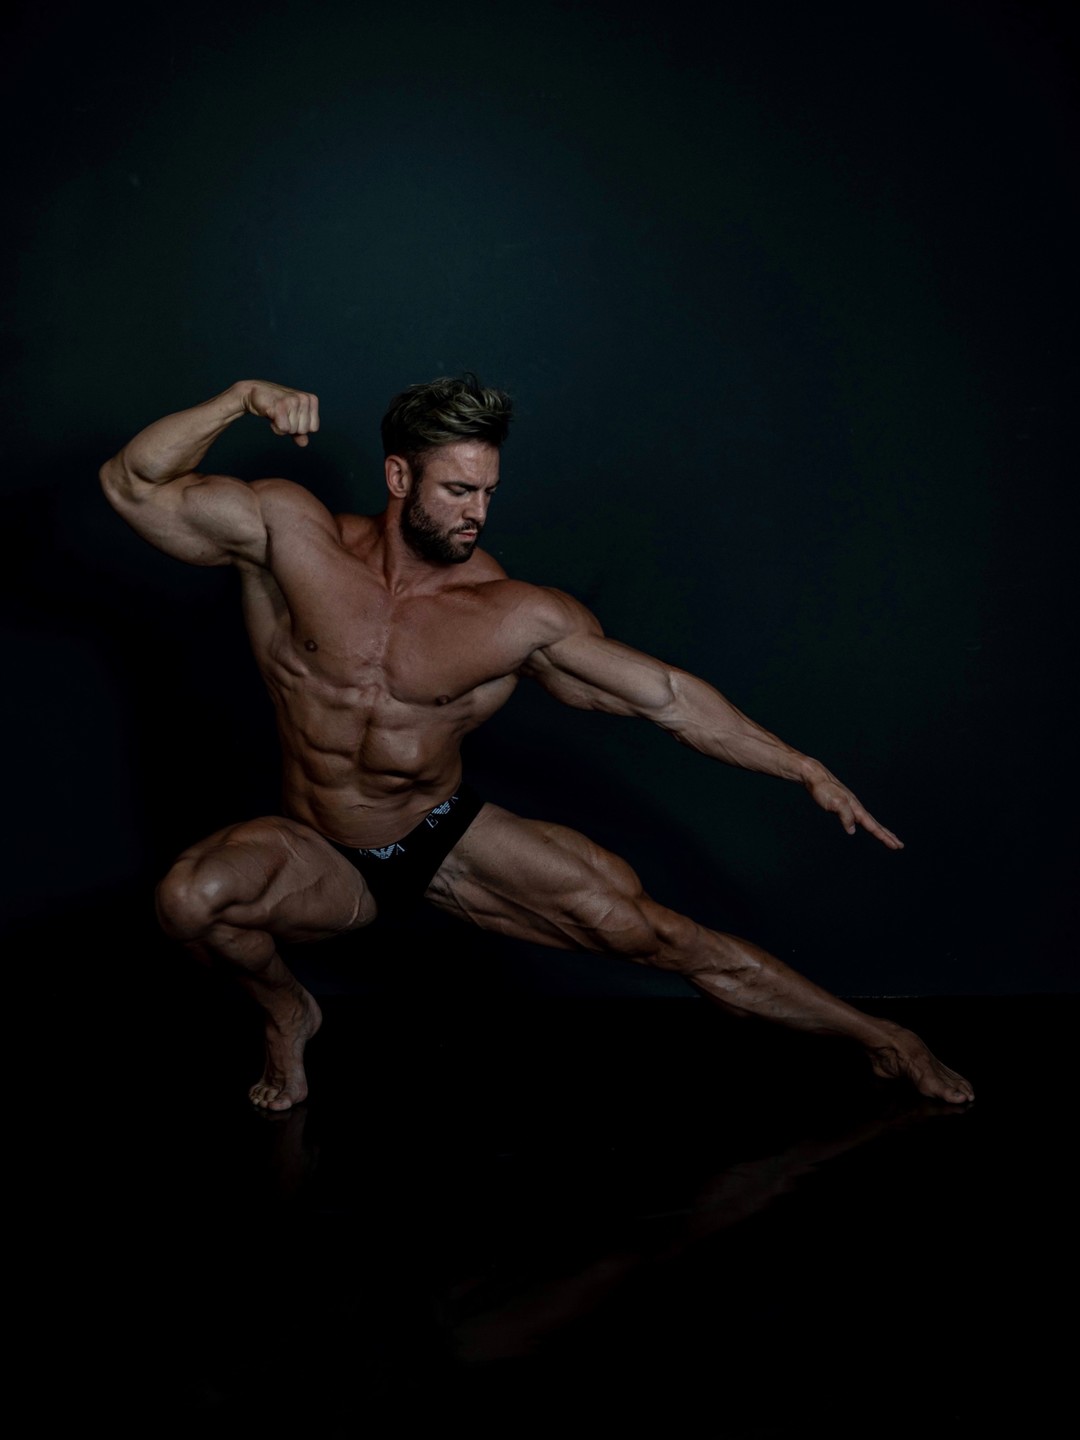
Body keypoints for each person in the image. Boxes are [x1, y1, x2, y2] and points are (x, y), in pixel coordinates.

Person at [98, 375, 974, 1112]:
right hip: (315, 842)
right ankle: (289, 1012)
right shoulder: (290, 536)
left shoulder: (512, 615)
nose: (477, 513)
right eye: (458, 491)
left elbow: (669, 699)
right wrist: (239, 400)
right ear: (399, 476)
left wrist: (802, 767)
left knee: (662, 937)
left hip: (436, 836)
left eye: (488, 493)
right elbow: (132, 482)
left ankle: (885, 1038)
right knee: (190, 901)